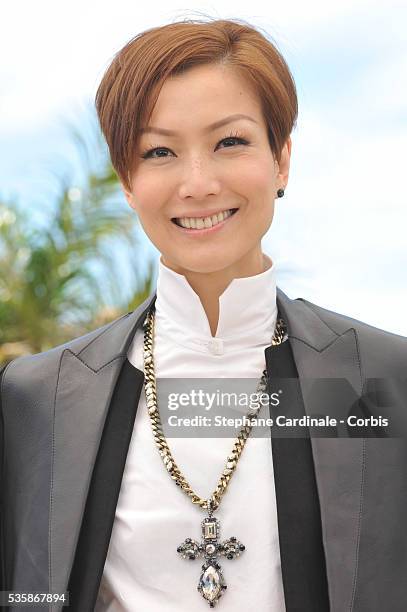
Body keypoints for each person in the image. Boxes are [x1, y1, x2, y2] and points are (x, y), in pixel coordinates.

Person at [1, 17, 406, 612]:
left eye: (230, 141)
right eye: (159, 151)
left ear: (282, 159)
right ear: (127, 181)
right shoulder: (38, 397)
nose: (198, 183)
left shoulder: (383, 381)